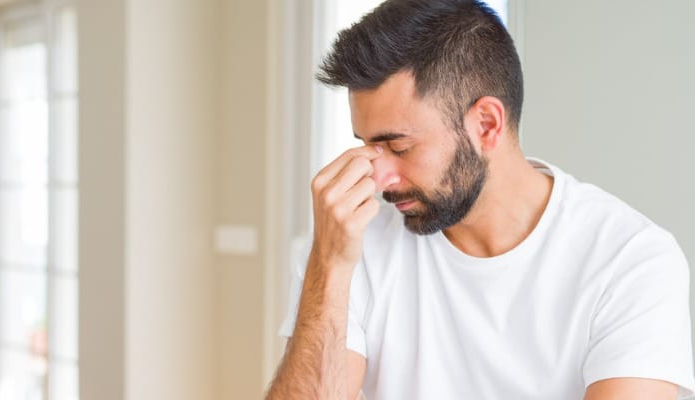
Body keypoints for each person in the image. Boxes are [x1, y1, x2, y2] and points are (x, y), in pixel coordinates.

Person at [266, 0, 695, 399]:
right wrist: (330, 266)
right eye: (367, 146)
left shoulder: (631, 259)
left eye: (398, 147)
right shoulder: (347, 250)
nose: (379, 178)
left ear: (486, 124)